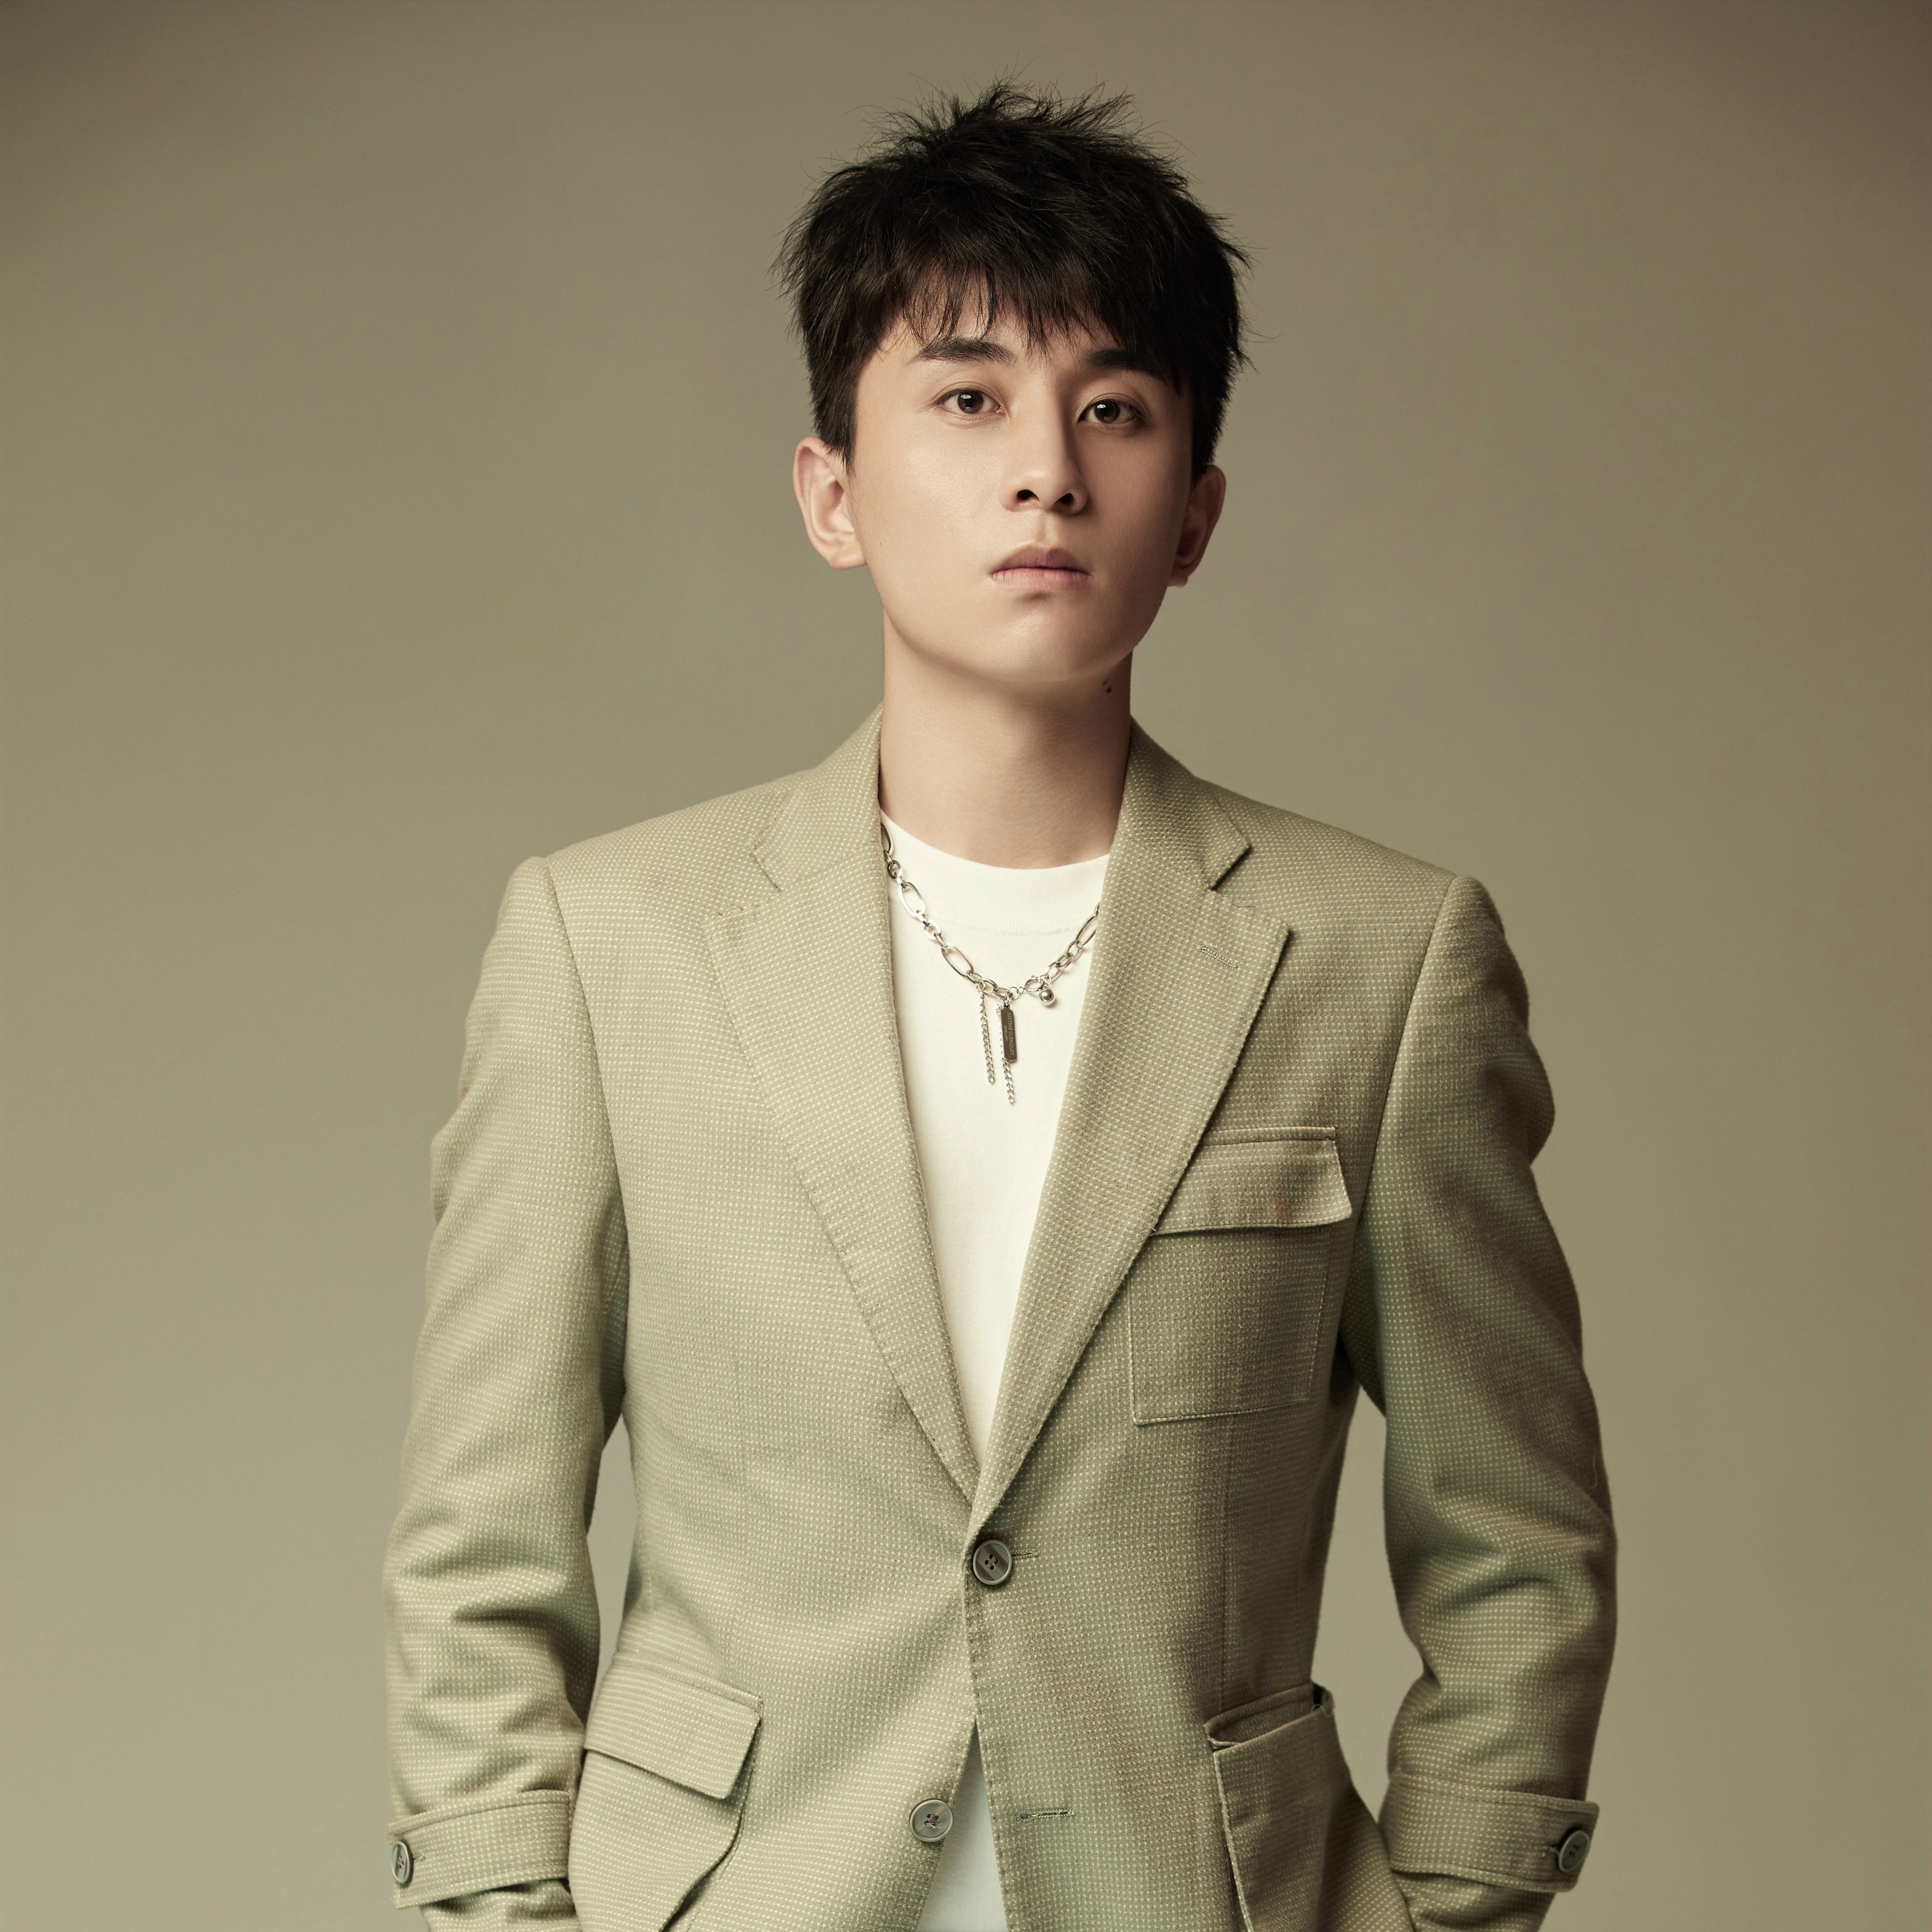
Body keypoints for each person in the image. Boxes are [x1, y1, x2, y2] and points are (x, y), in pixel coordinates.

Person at [383, 83, 1615, 1932]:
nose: (1048, 469)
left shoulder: (1383, 958)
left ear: (1195, 515)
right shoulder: (609, 944)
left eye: (1114, 409)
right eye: (967, 400)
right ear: (831, 495)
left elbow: (1517, 1545)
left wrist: (1447, 1909)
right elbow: (480, 1550)